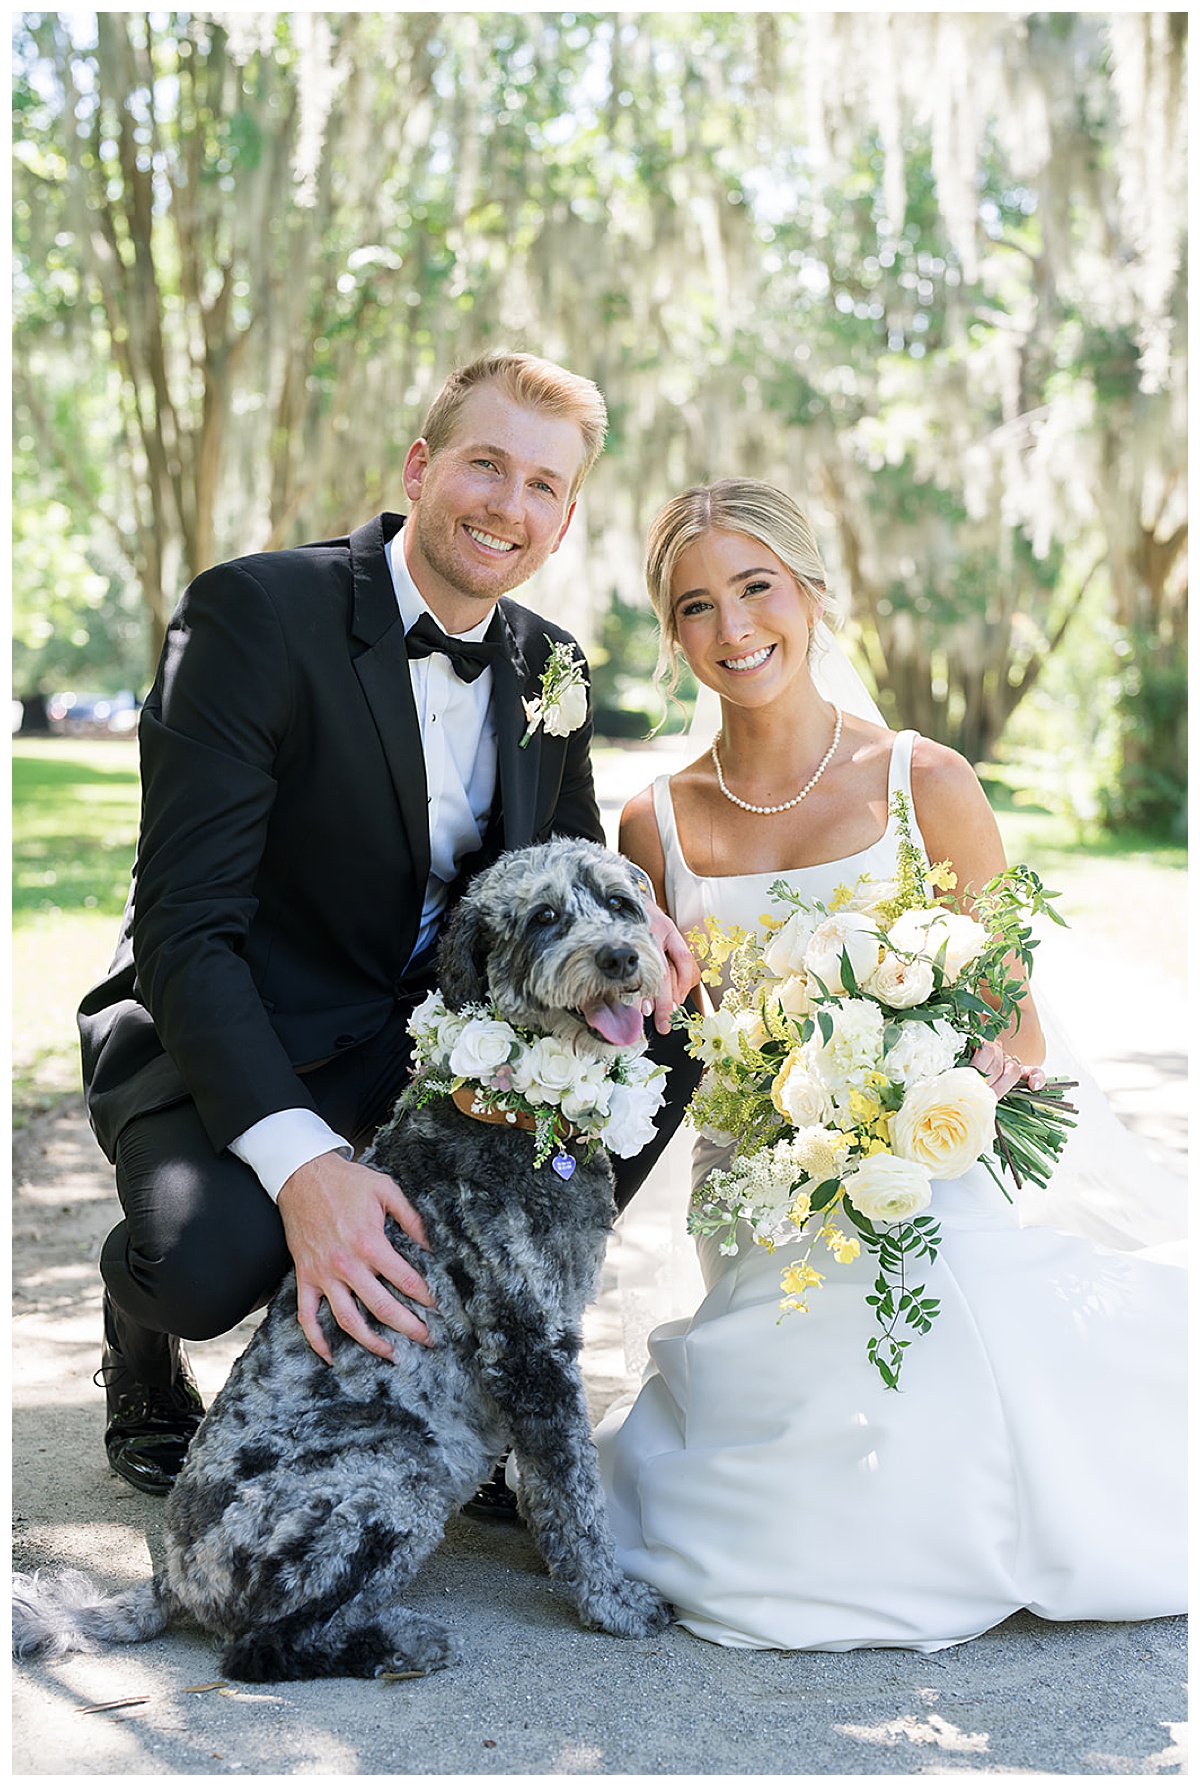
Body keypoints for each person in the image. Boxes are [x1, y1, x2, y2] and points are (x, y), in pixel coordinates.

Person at [78, 352, 698, 1501]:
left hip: (431, 1033)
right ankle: (139, 1334)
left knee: (667, 1026)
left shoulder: (551, 663)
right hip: (241, 1017)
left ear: (564, 520)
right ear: (421, 467)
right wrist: (308, 1167)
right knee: (205, 1264)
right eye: (485, 465)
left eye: (543, 486)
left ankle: (490, 1354)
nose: (508, 506)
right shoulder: (253, 614)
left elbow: (559, 860)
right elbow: (184, 925)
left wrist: (649, 930)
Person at [594, 478, 1186, 1652]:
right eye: (697, 605)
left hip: (930, 1159)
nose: (734, 627)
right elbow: (687, 1040)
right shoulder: (656, 822)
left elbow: (1017, 1024)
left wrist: (922, 1079)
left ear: (812, 593)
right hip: (762, 1180)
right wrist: (786, 1098)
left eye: (757, 587)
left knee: (957, 1310)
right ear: (673, 635)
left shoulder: (928, 782)